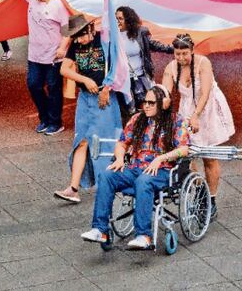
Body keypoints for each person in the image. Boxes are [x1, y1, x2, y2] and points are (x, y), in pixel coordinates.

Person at [80, 85, 192, 250]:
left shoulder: (177, 122)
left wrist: (161, 158)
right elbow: (122, 143)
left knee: (144, 181)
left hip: (162, 170)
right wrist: (119, 158)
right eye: (144, 102)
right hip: (136, 166)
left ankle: (143, 235)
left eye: (151, 103)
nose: (146, 105)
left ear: (164, 103)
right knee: (107, 175)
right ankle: (100, 230)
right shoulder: (137, 119)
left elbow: (184, 149)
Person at [160, 34, 235, 217]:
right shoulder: (171, 67)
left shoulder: (203, 63)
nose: (181, 58)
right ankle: (200, 190)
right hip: (187, 107)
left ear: (192, 51)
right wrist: (162, 101)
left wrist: (196, 116)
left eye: (185, 53)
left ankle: (212, 198)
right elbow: (165, 92)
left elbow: (206, 92)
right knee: (188, 154)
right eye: (177, 54)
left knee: (208, 156)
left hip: (207, 108)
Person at [54, 16, 123, 204]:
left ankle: (110, 184)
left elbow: (117, 66)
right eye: (75, 37)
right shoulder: (76, 46)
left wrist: (106, 89)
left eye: (81, 36)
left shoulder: (104, 40)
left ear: (90, 30)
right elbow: (64, 69)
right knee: (81, 140)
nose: (79, 41)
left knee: (107, 141)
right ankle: (73, 188)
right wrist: (84, 79)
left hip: (105, 97)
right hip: (85, 98)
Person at [16, 0, 70, 136]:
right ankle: (44, 117)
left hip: (53, 56)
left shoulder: (57, 5)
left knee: (54, 88)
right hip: (34, 55)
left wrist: (62, 48)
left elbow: (67, 30)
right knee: (33, 85)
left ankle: (55, 122)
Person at [116, 6, 173, 108]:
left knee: (150, 105)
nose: (117, 21)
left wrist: (174, 48)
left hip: (143, 77)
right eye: (116, 18)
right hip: (124, 81)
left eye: (120, 18)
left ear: (128, 19)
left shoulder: (140, 32)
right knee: (130, 110)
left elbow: (154, 45)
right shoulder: (113, 36)